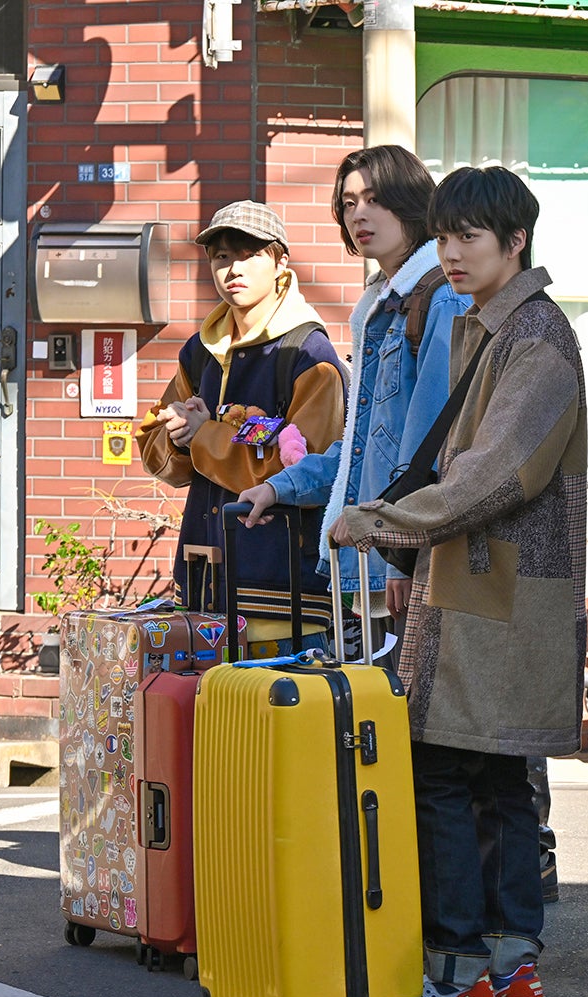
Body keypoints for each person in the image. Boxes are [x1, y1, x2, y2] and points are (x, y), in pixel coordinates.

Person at [330, 165, 586, 997]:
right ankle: (509, 968)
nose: (451, 253)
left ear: (516, 240)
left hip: (498, 587)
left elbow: (496, 473)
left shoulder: (535, 336)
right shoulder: (489, 326)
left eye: (468, 236)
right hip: (484, 583)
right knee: (497, 775)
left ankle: (461, 966)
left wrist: (383, 521)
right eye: (443, 236)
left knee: (444, 769)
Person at [237, 145, 469, 669]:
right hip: (375, 559)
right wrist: (279, 487)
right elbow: (362, 450)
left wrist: (400, 556)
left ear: (410, 201)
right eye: (348, 203)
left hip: (412, 562)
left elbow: (430, 449)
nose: (359, 214)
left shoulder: (439, 297)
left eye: (374, 199)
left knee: (408, 713)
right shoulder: (382, 305)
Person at [135, 201, 345, 655]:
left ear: (281, 261)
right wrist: (177, 434)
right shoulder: (200, 350)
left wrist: (203, 434)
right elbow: (156, 451)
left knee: (279, 698)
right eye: (221, 256)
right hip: (202, 585)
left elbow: (310, 472)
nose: (233, 269)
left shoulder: (308, 354)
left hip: (281, 595)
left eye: (249, 255)